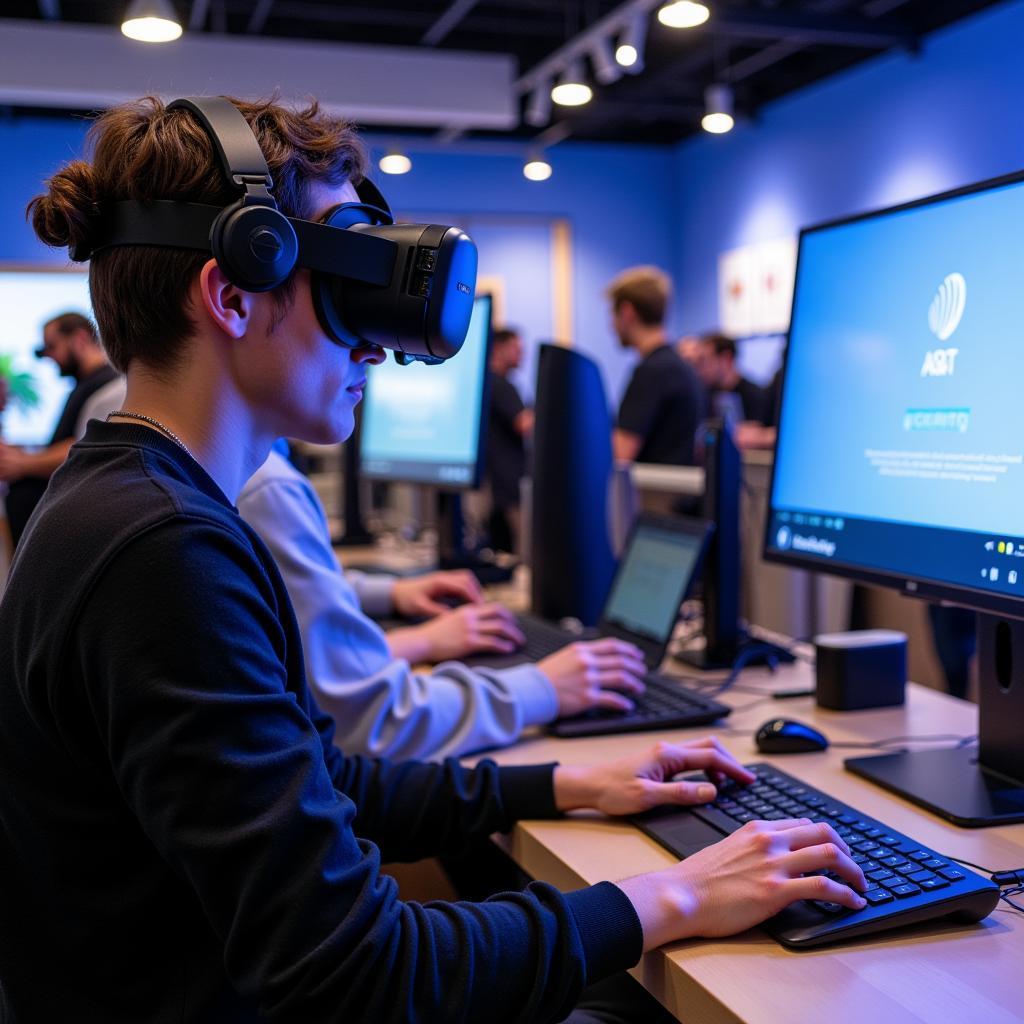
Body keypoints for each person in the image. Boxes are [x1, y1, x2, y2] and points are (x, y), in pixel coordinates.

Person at [0, 94, 865, 1023]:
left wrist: (574, 782)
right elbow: (358, 972)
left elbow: (327, 781)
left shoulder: (132, 500)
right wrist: (680, 895)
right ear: (232, 292)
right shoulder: (164, 554)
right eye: (344, 282)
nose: (375, 340)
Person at [239, 440, 648, 760]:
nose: (372, 355)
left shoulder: (230, 471)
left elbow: (285, 591)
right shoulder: (268, 486)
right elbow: (373, 720)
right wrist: (542, 688)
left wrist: (392, 593)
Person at [0, 312, 124, 546]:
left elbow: (86, 445)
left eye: (51, 346)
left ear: (79, 338)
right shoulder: (83, 386)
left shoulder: (110, 388)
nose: (48, 357)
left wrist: (22, 463)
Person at [607, 266, 704, 466]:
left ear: (627, 312)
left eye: (613, 315)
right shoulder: (678, 367)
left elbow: (619, 454)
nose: (611, 326)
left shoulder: (652, 372)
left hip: (657, 496)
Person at [485, 325, 532, 552]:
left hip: (498, 480)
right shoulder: (501, 385)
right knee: (522, 546)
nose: (521, 355)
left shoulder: (487, 383)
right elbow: (524, 424)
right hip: (509, 481)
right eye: (516, 348)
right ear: (498, 349)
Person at [688, 331, 769, 426]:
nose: (700, 368)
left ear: (726, 359)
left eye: (704, 360)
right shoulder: (705, 394)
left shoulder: (756, 396)